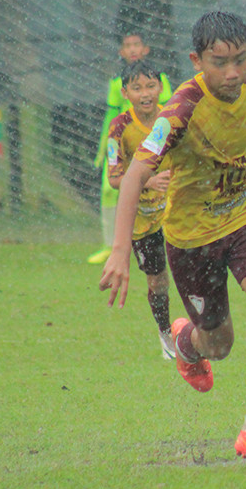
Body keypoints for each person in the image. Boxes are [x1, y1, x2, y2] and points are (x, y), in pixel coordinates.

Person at [99, 11, 246, 467]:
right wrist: (119, 252)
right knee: (220, 342)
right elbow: (133, 176)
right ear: (197, 60)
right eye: (220, 62)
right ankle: (188, 344)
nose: (232, 72)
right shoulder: (180, 111)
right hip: (192, 237)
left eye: (240, 59)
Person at [105, 59, 174, 360]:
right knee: (157, 280)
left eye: (150, 86)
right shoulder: (120, 128)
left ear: (160, 87)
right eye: (137, 88)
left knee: (195, 267)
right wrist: (148, 182)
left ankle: (201, 327)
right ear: (125, 92)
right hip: (143, 221)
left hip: (176, 212)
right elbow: (114, 177)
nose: (145, 93)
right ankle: (165, 333)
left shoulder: (172, 118)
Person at [88, 32, 173, 265]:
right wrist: (102, 151)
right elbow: (110, 116)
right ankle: (111, 245)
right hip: (126, 149)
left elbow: (172, 112)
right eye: (128, 45)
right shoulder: (116, 86)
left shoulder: (162, 83)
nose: (145, 93)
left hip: (155, 148)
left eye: (150, 87)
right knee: (109, 188)